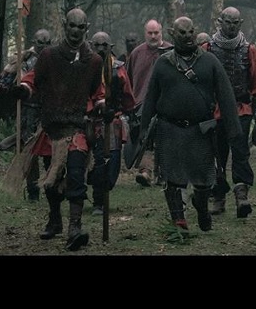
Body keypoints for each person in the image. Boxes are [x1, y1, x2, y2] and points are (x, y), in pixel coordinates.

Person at [9, 7, 104, 251]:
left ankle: (75, 227)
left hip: (78, 128)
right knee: (51, 182)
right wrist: (24, 89)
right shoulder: (49, 56)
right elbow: (33, 79)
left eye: (80, 27)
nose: (76, 31)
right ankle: (54, 219)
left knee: (76, 176)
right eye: (72, 25)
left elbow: (98, 92)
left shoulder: (94, 61)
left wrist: (103, 105)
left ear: (87, 28)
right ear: (64, 25)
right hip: (52, 128)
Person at [139, 16, 242, 236]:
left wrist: (234, 130)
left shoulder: (210, 61)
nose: (187, 36)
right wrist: (143, 128)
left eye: (190, 31)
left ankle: (202, 208)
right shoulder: (163, 63)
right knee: (173, 178)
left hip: (200, 130)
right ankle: (179, 221)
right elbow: (151, 97)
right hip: (169, 129)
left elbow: (226, 96)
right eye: (182, 32)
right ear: (172, 33)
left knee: (203, 180)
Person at [203, 7, 256, 218]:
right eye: (228, 22)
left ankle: (241, 196)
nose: (231, 26)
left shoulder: (249, 50)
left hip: (240, 109)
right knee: (217, 153)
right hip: (216, 111)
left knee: (240, 152)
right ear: (220, 22)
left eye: (235, 23)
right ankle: (218, 196)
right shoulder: (208, 49)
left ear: (240, 23)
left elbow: (255, 82)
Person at [0, 28, 53, 201]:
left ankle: (51, 187)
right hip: (29, 109)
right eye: (40, 43)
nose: (43, 46)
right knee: (29, 150)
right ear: (35, 42)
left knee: (50, 150)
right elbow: (21, 82)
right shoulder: (26, 60)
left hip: (48, 110)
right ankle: (33, 191)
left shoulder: (54, 58)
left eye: (47, 43)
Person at [87, 31, 136, 216]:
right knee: (96, 160)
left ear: (111, 47)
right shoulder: (84, 67)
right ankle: (98, 200)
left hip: (113, 120)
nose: (100, 49)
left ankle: (105, 190)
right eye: (97, 45)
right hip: (90, 121)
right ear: (91, 46)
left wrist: (129, 114)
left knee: (112, 162)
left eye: (104, 45)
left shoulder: (119, 68)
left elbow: (127, 96)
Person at [126, 19, 172, 187]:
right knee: (145, 138)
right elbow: (128, 80)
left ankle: (163, 174)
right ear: (145, 33)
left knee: (165, 139)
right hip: (142, 105)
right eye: (150, 33)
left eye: (156, 33)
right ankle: (145, 171)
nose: (153, 36)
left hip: (167, 103)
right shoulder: (136, 54)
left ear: (161, 32)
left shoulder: (171, 52)